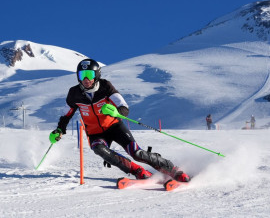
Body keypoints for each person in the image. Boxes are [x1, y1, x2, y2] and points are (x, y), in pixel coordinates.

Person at [49, 59, 190, 182]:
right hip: (95, 133)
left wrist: (117, 112)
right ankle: (137, 171)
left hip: (114, 127)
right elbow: (65, 115)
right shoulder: (74, 94)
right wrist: (60, 130)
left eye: (89, 75)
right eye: (82, 75)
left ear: (96, 75)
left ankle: (173, 170)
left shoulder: (105, 87)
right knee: (99, 148)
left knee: (137, 153)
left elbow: (124, 107)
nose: (86, 79)